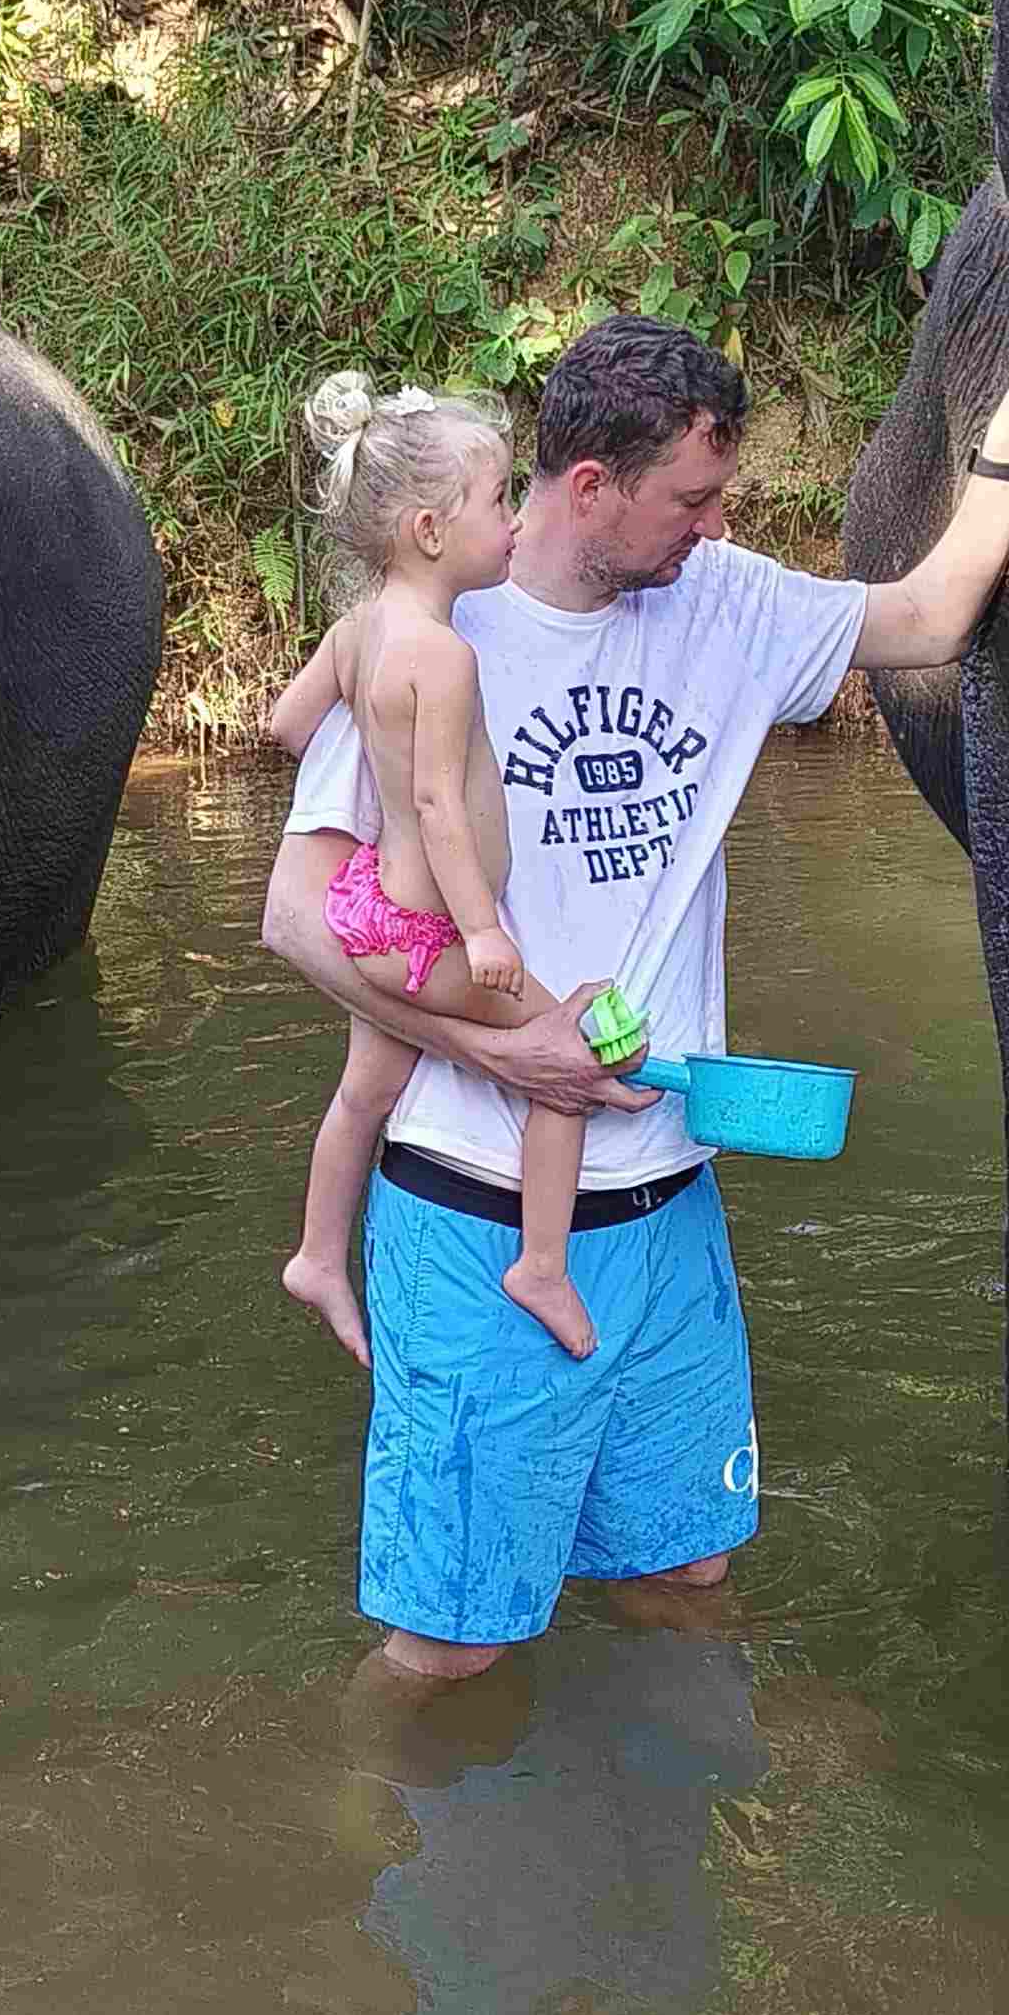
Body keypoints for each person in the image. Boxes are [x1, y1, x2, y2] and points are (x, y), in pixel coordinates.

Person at [264, 311, 1009, 1684]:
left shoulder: (730, 603)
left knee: (686, 1578)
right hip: (470, 1208)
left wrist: (1004, 449)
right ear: (587, 489)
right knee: (447, 1650)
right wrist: (510, 1058)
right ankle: (366, 1847)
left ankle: (646, 1848)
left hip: (665, 1203)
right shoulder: (433, 635)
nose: (715, 522)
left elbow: (927, 615)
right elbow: (295, 916)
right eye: (691, 497)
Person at [269, 371, 598, 1366]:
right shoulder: (444, 656)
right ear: (427, 530)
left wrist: (371, 735)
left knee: (366, 1090)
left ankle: (320, 1252)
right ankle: (542, 1263)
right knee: (563, 1062)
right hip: (430, 936)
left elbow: (284, 724)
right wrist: (486, 930)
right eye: (499, 502)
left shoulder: (362, 625)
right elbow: (435, 807)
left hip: (367, 910)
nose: (511, 523)